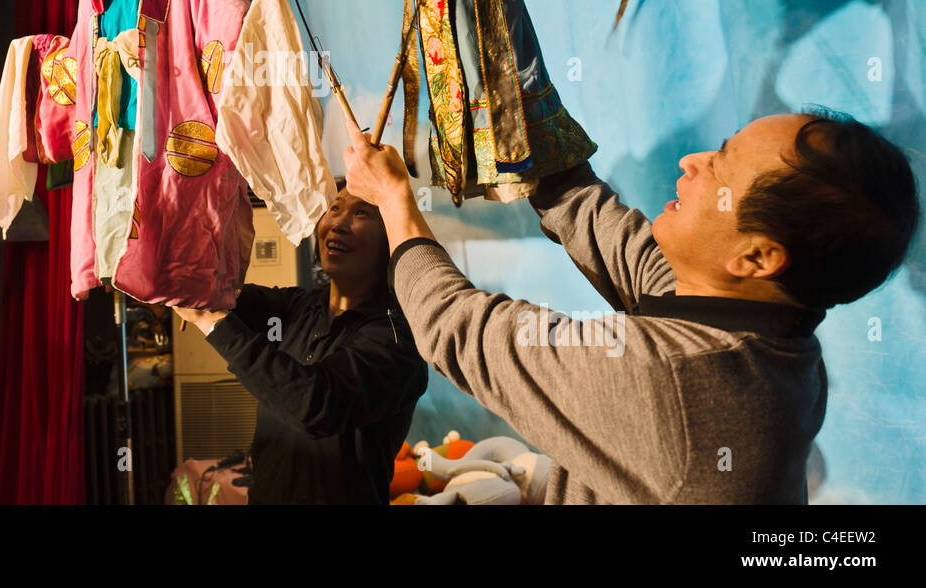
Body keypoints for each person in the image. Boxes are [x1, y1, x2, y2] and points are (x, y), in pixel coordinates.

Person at [341, 108, 919, 503]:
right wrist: (503, 59)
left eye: (720, 165)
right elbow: (583, 207)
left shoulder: (675, 382)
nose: (692, 160)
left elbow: (457, 328)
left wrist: (392, 199)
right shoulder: (771, 330)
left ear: (758, 256)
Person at [174, 187, 429, 505]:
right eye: (335, 208)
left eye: (361, 213)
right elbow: (218, 291)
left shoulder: (396, 340)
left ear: (392, 236)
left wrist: (211, 320)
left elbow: (314, 404)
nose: (338, 223)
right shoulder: (297, 307)